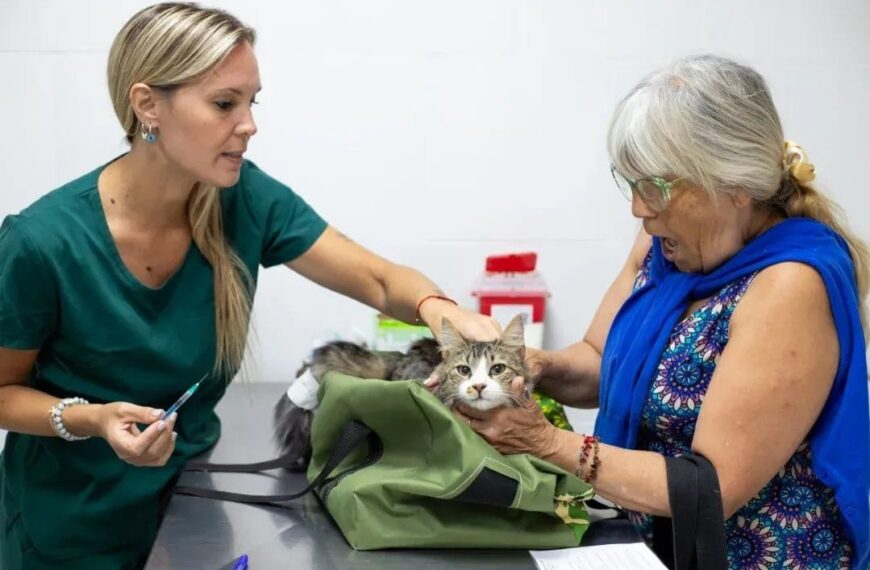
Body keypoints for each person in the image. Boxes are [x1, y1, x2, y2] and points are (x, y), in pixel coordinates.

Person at [0, 4, 500, 568]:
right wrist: (92, 419)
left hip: (186, 498)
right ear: (148, 105)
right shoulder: (42, 243)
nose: (249, 124)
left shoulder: (244, 198)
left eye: (251, 101)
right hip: (65, 529)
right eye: (223, 104)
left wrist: (438, 309)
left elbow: (379, 280)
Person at [454, 55, 869, 569]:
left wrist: (544, 441)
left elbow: (711, 487)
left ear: (735, 185)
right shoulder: (666, 244)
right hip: (652, 546)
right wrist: (536, 367)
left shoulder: (790, 286)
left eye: (657, 187)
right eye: (631, 183)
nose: (639, 208)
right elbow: (599, 361)